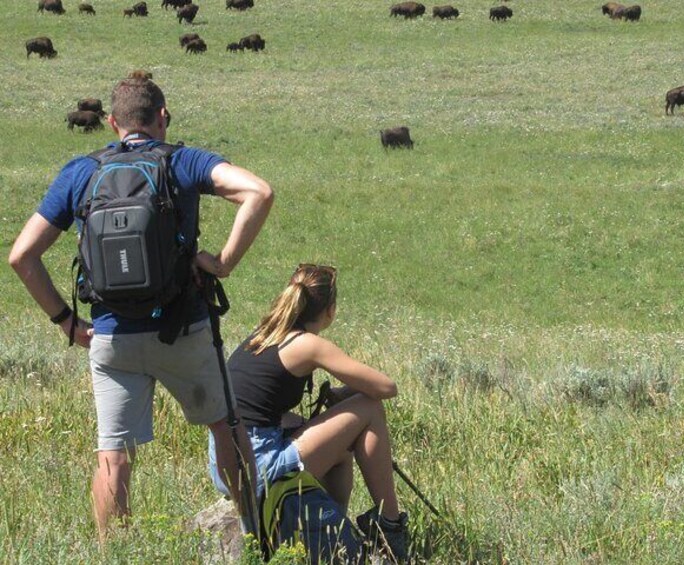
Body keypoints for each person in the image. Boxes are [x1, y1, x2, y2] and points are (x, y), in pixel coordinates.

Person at [8, 76, 274, 542]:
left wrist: (67, 323)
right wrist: (222, 263)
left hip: (111, 339)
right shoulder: (183, 162)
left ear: (112, 123)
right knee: (226, 430)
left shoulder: (80, 172)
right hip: (184, 331)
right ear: (163, 116)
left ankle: (113, 552)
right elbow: (258, 192)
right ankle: (254, 536)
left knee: (114, 455)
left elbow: (21, 256)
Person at [208, 264, 410, 562]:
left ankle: (331, 528)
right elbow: (385, 387)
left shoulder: (267, 333)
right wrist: (346, 395)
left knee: (341, 453)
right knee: (369, 409)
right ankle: (390, 528)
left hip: (225, 460)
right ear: (330, 310)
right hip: (258, 465)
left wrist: (335, 400)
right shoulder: (307, 345)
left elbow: (253, 407)